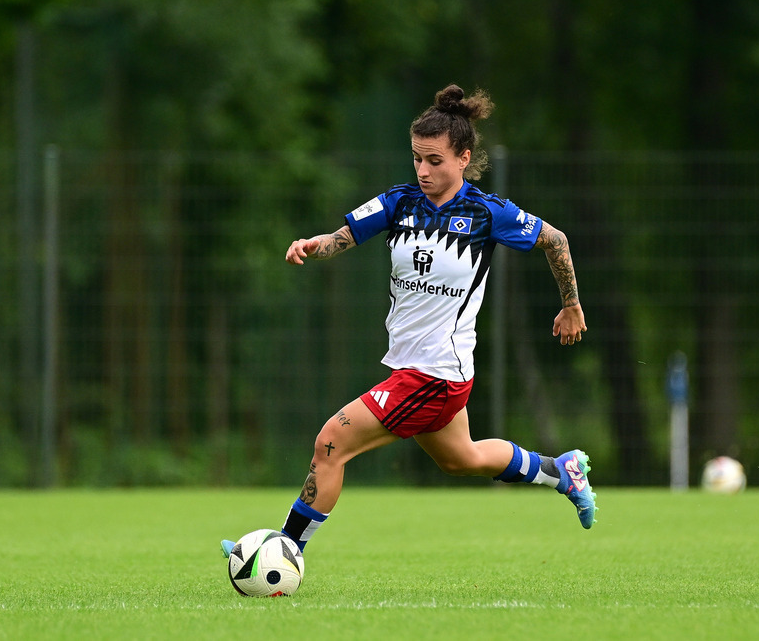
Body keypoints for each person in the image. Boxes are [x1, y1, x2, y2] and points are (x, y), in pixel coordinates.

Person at [222, 84, 595, 559]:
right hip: (413, 366)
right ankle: (561, 471)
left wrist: (571, 304)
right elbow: (343, 236)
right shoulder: (399, 203)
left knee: (331, 442)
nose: (423, 170)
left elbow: (556, 240)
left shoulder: (486, 213)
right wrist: (316, 246)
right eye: (417, 158)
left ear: (463, 158)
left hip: (437, 373)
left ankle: (282, 552)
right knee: (462, 458)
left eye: (435, 161)